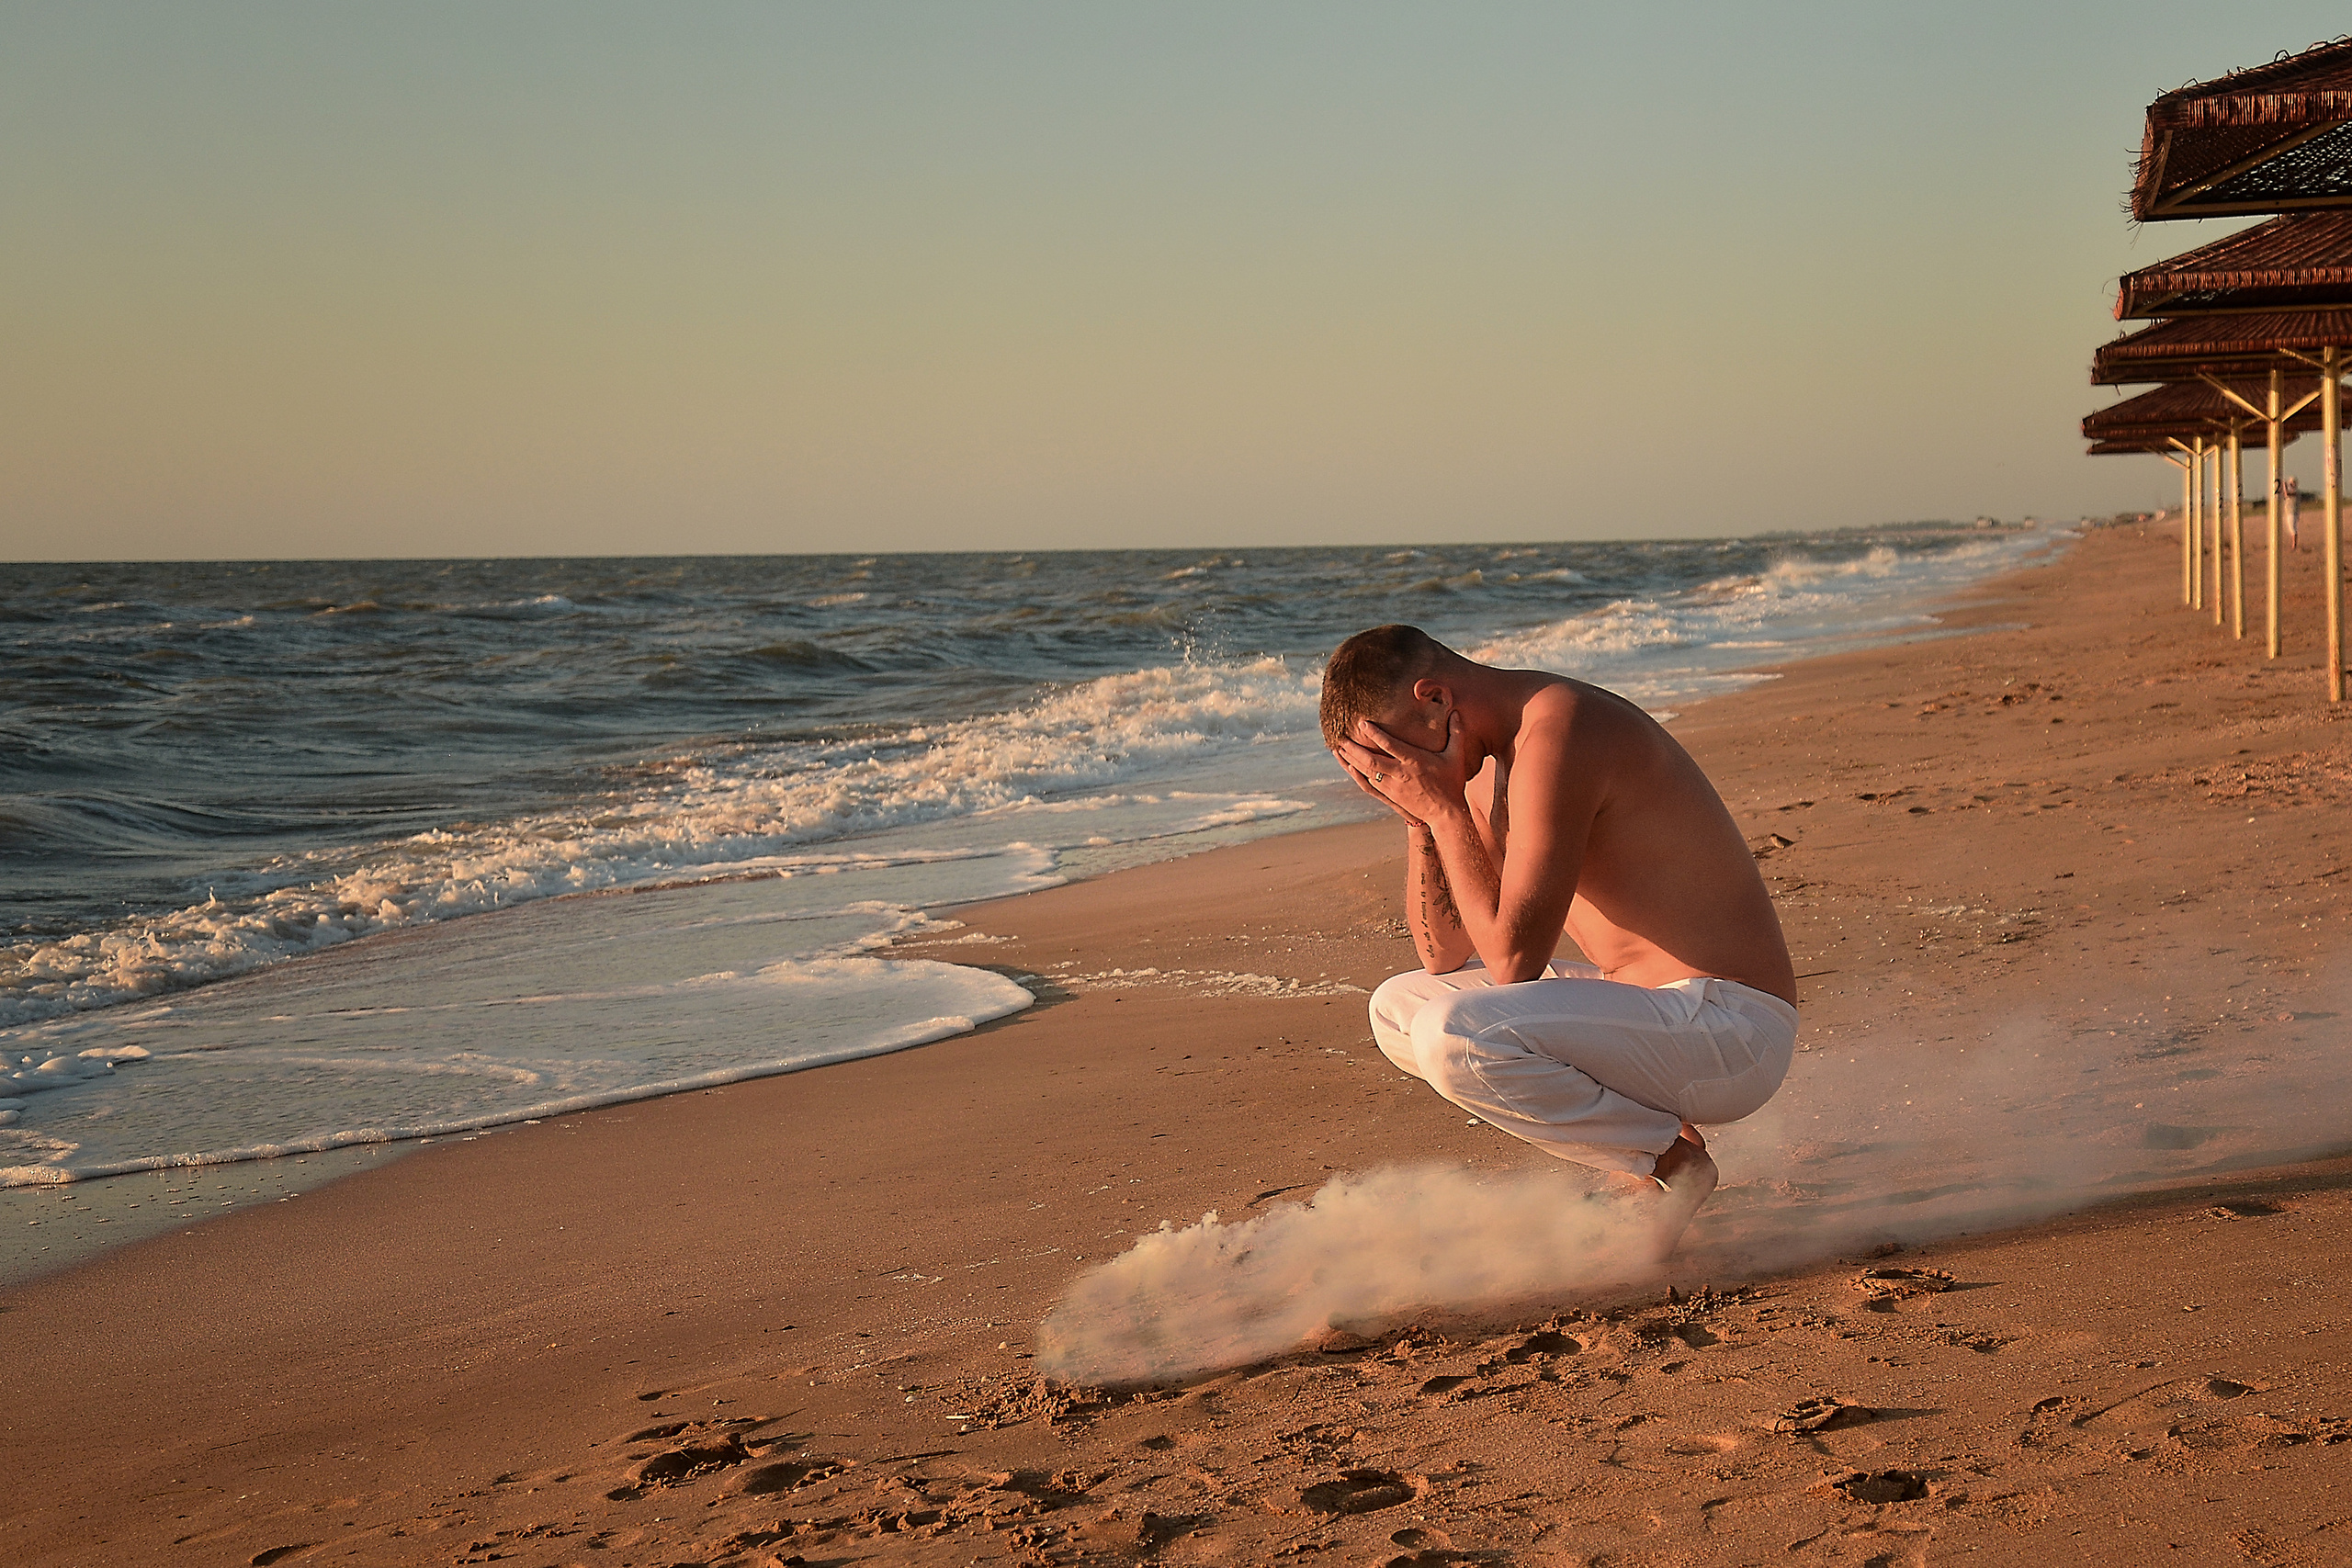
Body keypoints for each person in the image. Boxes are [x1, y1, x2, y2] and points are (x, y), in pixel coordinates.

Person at [1322, 624, 1798, 1257]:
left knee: (1453, 1033)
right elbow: (1443, 953)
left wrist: (1442, 810)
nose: (1401, 773)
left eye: (1394, 755)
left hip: (1730, 1027)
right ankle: (1654, 1146)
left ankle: (1669, 1164)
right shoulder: (1482, 770)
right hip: (1648, 1012)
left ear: (1434, 698)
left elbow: (1514, 961)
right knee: (1398, 1007)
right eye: (1381, 772)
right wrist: (1419, 819)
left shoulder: (1559, 729)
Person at [2286, 475, 2302, 553]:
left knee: (2293, 528)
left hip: (2293, 512)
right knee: (2291, 528)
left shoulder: (2296, 492)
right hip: (2289, 512)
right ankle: (2294, 544)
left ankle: (2294, 545)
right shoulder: (2293, 491)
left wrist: (2284, 486)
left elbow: (2287, 494)